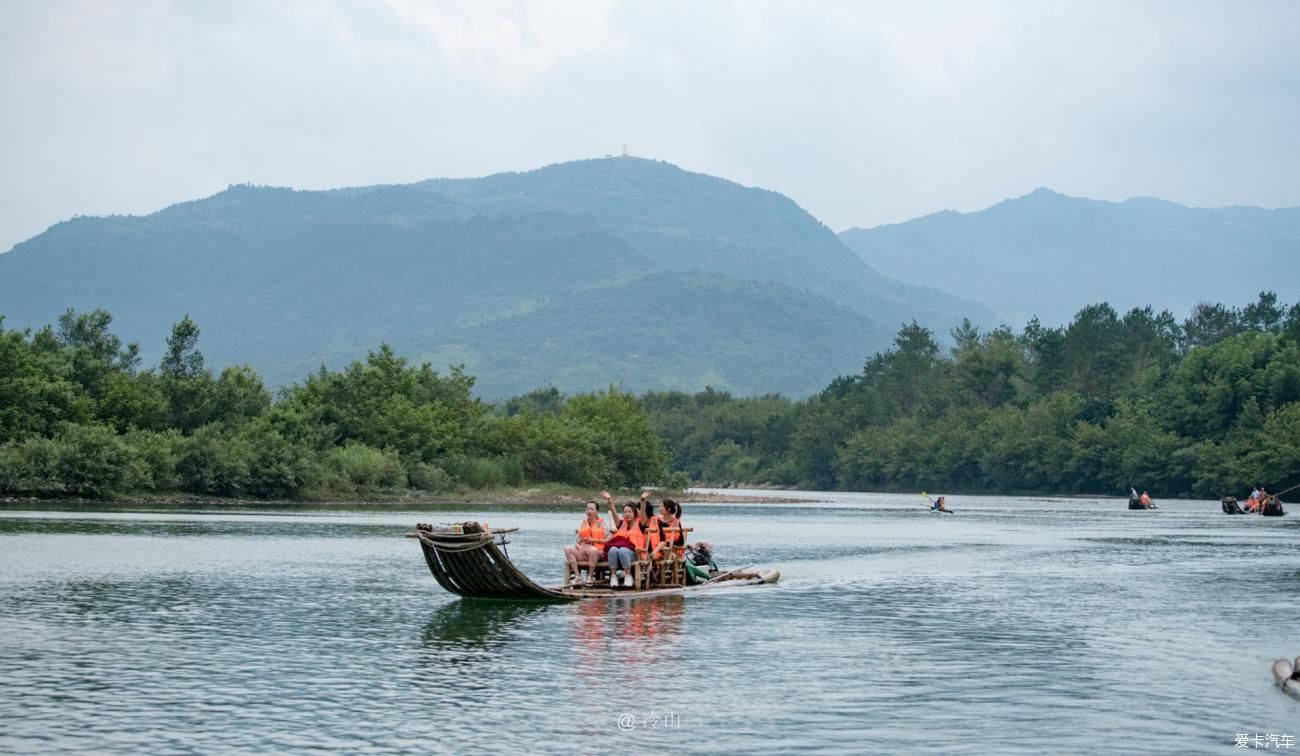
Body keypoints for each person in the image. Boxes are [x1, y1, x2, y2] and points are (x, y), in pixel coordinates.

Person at [564, 501, 608, 586]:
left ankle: (590, 576)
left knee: (593, 550)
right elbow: (578, 539)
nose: (589, 511)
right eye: (588, 509)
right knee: (567, 549)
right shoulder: (583, 523)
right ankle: (578, 576)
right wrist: (578, 545)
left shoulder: (602, 523)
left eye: (592, 509)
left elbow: (609, 539)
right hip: (583, 551)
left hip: (597, 552)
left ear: (597, 511)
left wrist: (594, 540)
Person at [603, 502, 646, 589]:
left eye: (630, 512)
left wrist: (642, 500)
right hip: (618, 555)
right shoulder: (621, 524)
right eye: (625, 512)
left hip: (635, 554)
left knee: (622, 550)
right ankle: (613, 577)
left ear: (635, 513)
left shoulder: (640, 524)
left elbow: (643, 513)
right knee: (612, 549)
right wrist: (610, 501)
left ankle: (628, 576)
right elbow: (614, 514)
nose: (627, 514)